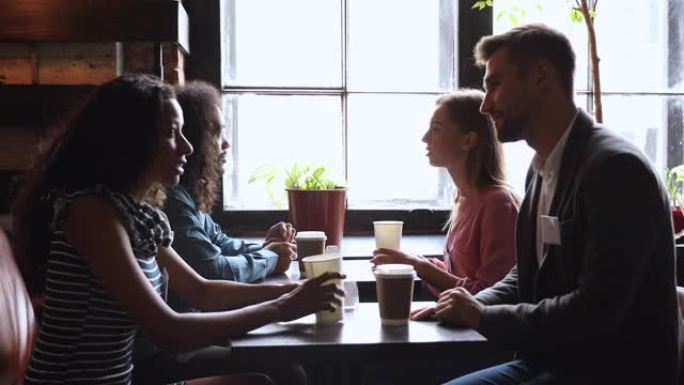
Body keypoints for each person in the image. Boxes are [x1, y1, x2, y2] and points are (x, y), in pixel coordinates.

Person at [12, 74, 343, 385]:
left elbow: (201, 290)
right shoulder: (91, 213)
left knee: (266, 378)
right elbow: (168, 331)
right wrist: (282, 309)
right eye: (172, 133)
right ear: (133, 139)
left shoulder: (136, 214)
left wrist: (295, 291)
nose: (187, 147)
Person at [429, 24, 683, 385]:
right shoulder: (543, 168)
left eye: (495, 85)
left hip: (612, 371)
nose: (485, 106)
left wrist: (484, 316)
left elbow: (596, 310)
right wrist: (465, 304)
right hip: (556, 361)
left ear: (541, 77)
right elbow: (528, 273)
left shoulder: (614, 169)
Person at [370, 90, 518, 299]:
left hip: (483, 332)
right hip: (460, 326)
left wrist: (419, 266)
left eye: (436, 130)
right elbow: (460, 277)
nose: (425, 138)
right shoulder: (464, 198)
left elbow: (489, 296)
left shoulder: (498, 204)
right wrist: (414, 261)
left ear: (467, 141)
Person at [165, 80, 295, 296]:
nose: (225, 144)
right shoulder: (174, 201)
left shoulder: (188, 194)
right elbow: (212, 269)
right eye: (215, 133)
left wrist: (270, 247)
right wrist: (270, 257)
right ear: (195, 139)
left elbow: (220, 243)